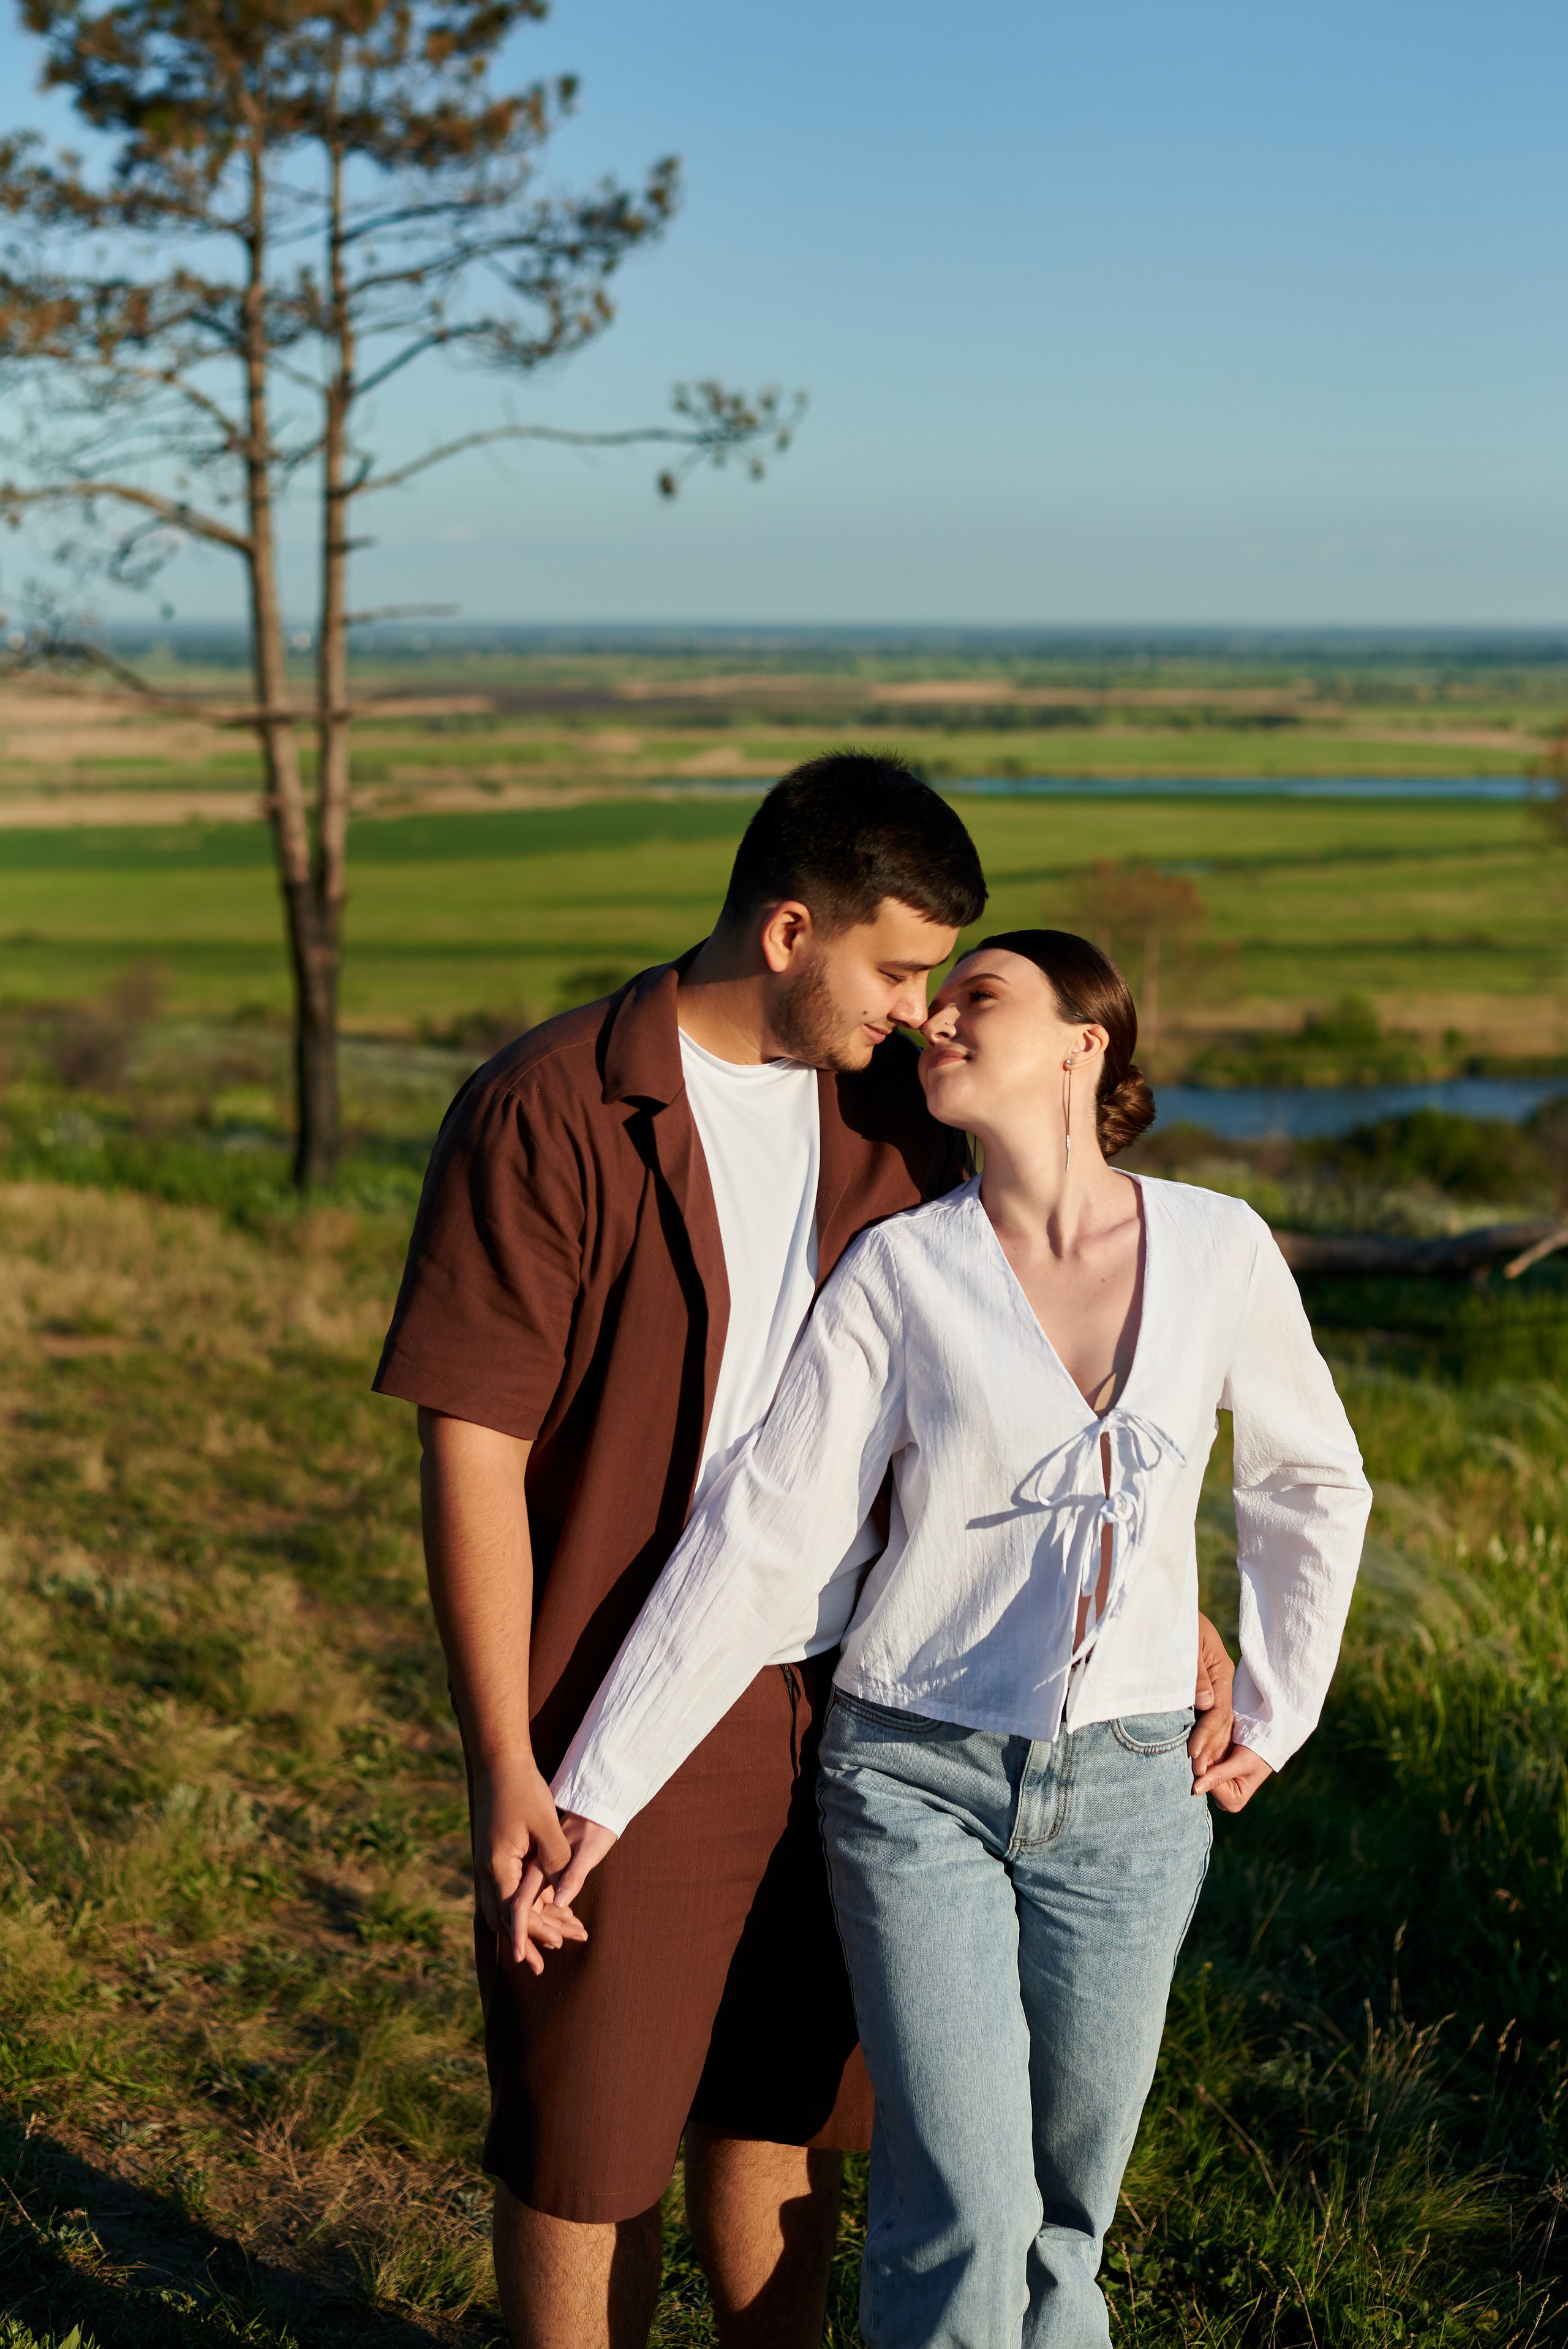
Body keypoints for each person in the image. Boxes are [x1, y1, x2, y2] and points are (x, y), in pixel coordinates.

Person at [375, 761, 1238, 2349]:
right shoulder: (553, 1108)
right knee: (592, 2130)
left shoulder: (902, 1116)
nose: (927, 1013)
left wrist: (1150, 1602)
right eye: (902, 969)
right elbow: (472, 1452)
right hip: (633, 1680)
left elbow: (1053, 1348)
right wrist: (506, 1754)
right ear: (789, 929)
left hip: (888, 1698)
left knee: (787, 2102)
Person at [536, 929, 1373, 2349]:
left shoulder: (1218, 1244)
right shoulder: (899, 1271)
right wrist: (594, 1791)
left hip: (1131, 1794)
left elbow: (1307, 1478)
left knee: (1066, 2211)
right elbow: (767, 1535)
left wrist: (1277, 1708)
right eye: (933, 1001)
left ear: (1082, 1042)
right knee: (961, 2199)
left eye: (978, 997)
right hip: (912, 1781)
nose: (934, 1023)